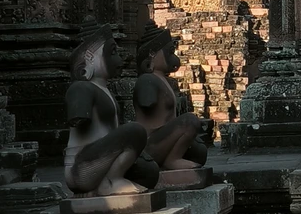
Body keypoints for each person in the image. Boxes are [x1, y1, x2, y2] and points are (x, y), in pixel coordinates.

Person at [64, 28, 158, 196]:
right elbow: (77, 117)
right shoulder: (81, 87)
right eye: (113, 52)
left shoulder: (104, 90)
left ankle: (109, 180)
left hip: (101, 161)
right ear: (89, 57)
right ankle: (110, 181)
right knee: (135, 130)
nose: (118, 59)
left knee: (148, 172)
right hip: (82, 168)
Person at [133, 21, 207, 174]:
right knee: (190, 121)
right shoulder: (147, 80)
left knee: (199, 150)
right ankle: (172, 160)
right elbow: (146, 102)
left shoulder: (165, 81)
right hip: (151, 144)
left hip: (164, 140)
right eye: (169, 52)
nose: (173, 57)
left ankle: (172, 158)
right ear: (152, 55)